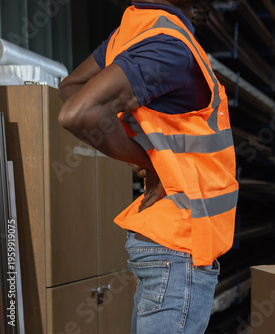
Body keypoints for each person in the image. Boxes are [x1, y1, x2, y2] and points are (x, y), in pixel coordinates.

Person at [58, 1, 239, 333]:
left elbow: (70, 86)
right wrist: (148, 161)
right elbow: (77, 111)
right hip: (181, 244)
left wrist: (144, 150)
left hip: (166, 245)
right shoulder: (171, 46)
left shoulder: (134, 30)